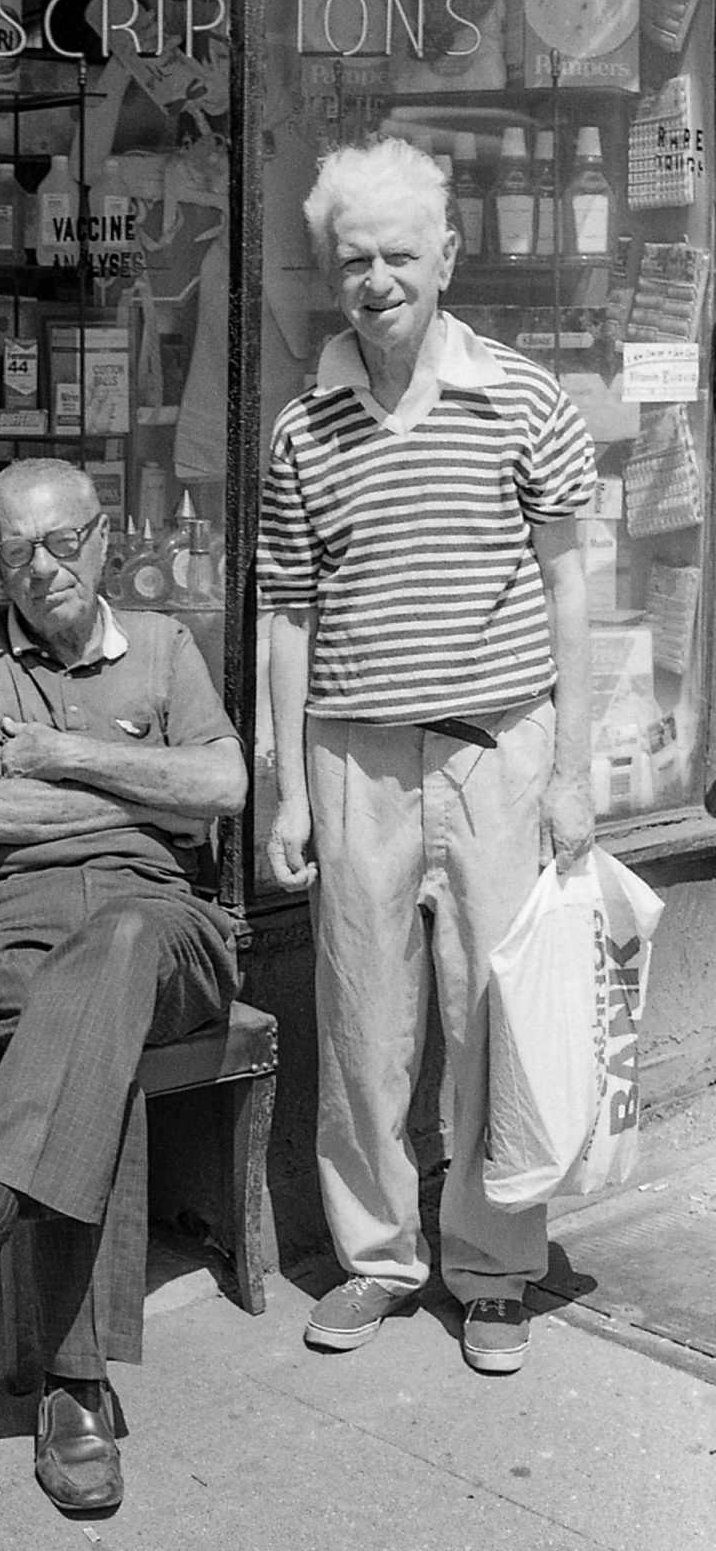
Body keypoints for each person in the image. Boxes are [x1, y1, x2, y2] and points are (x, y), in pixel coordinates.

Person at [258, 137, 595, 1377]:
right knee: (362, 1024)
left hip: (496, 752)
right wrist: (288, 788)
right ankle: (377, 1259)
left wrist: (571, 766)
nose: (380, 279)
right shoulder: (303, 428)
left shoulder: (521, 396)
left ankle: (496, 1270)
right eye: (356, 259)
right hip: (353, 756)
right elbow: (283, 611)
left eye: (402, 253)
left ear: (447, 257)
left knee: (493, 1018)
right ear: (328, 274)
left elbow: (569, 583)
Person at [0, 458, 247, 1510]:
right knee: (99, 1031)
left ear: (103, 542)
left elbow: (224, 785)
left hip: (165, 923)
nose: (40, 568)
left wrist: (57, 754)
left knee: (125, 947)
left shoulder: (169, 646)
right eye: (14, 549)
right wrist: (146, 798)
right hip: (13, 921)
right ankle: (74, 1390)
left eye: (60, 544)